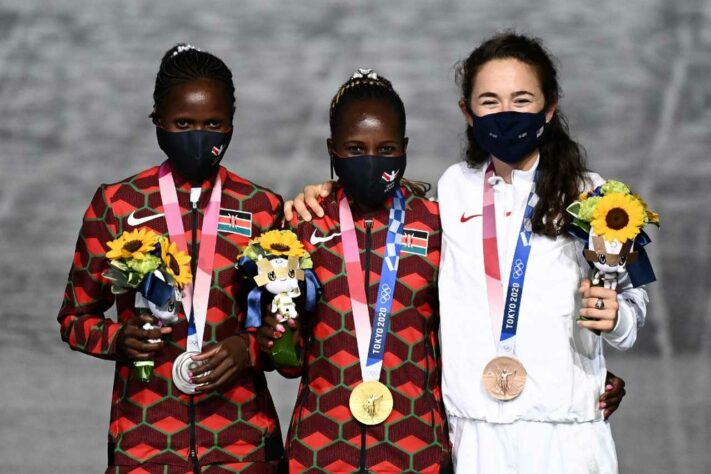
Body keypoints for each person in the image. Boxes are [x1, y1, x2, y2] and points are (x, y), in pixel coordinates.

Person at [287, 34, 640, 473]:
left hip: (565, 430)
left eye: (522, 99)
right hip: (473, 435)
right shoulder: (454, 189)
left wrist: (618, 318)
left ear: (549, 108)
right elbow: (382, 203)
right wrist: (327, 191)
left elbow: (630, 304)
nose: (506, 114)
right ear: (468, 113)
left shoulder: (595, 196)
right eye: (490, 101)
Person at [58, 44, 284, 473]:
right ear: (157, 122)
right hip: (143, 445)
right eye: (183, 123)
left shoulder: (262, 208)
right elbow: (74, 318)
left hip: (244, 446)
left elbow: (288, 326)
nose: (199, 135)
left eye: (213, 124)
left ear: (232, 125)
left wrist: (248, 348)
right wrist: (117, 339)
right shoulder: (118, 205)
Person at [259, 69, 452, 473]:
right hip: (319, 449)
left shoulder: (437, 225)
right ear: (332, 149)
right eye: (354, 147)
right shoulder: (296, 226)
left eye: (386, 149)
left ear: (405, 149)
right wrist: (278, 338)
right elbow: (287, 363)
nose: (371, 159)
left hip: (417, 449)